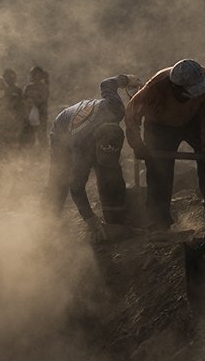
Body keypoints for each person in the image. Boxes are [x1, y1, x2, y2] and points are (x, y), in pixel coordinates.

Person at [125, 58, 205, 228]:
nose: (196, 95)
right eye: (190, 93)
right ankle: (159, 222)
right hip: (159, 125)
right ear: (175, 88)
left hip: (195, 120)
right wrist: (138, 145)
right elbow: (131, 115)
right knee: (158, 169)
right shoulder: (154, 88)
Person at [50, 74, 140, 242]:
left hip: (89, 128)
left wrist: (127, 79)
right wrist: (90, 219)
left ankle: (115, 217)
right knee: (60, 180)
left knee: (111, 174)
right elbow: (76, 187)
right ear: (95, 147)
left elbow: (106, 83)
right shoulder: (81, 148)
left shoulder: (116, 108)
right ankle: (47, 225)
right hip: (62, 131)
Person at [22, 65, 50, 147]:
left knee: (42, 136)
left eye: (37, 74)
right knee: (30, 137)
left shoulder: (44, 87)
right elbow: (23, 99)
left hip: (41, 114)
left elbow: (44, 99)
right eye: (33, 74)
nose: (35, 76)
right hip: (29, 114)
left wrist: (34, 100)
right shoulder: (28, 87)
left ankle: (43, 154)